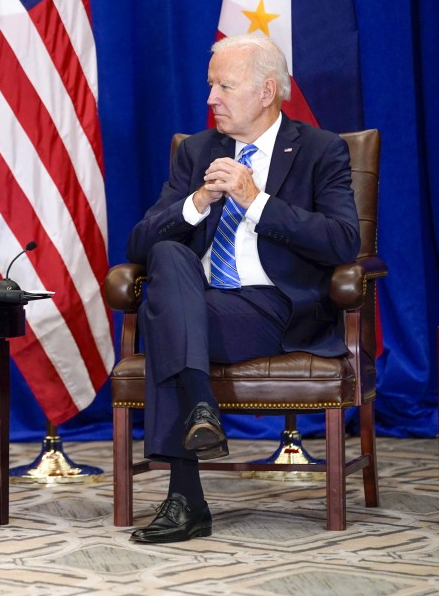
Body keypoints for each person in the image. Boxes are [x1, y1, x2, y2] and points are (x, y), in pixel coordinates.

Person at [124, 34, 360, 543]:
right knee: (166, 256)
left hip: (273, 307)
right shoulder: (197, 152)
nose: (211, 98)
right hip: (200, 302)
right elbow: (140, 243)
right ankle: (201, 411)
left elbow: (343, 242)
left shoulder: (320, 150)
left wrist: (256, 200)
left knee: (163, 320)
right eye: (211, 86)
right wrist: (198, 201)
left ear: (266, 91)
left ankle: (185, 499)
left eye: (224, 86)